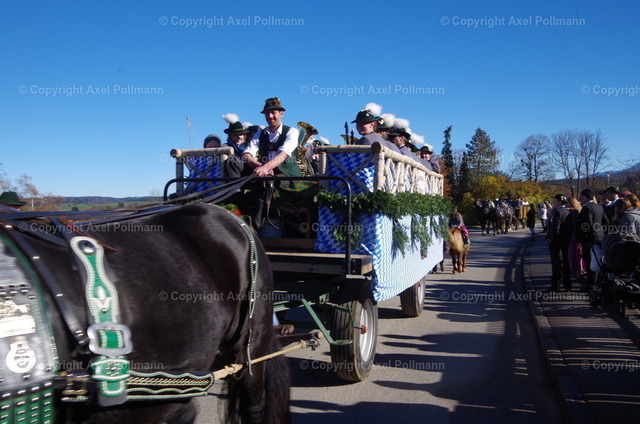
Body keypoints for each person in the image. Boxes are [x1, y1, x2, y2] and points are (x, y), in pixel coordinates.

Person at [241, 97, 300, 230]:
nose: (270, 116)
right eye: (267, 113)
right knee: (239, 172)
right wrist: (261, 167)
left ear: (281, 113)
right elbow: (246, 155)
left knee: (267, 183)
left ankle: (254, 228)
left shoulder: (292, 132)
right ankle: (236, 215)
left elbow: (283, 155)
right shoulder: (260, 133)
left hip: (287, 174)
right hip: (265, 173)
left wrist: (266, 167)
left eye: (273, 112)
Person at [575, 188, 609, 291]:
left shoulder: (587, 208)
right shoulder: (599, 207)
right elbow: (606, 221)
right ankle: (596, 283)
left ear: (586, 197)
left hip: (589, 240)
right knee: (597, 261)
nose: (580, 198)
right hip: (599, 237)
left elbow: (587, 225)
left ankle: (590, 285)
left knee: (590, 262)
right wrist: (601, 232)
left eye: (582, 196)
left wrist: (585, 237)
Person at [547, 194, 573, 291]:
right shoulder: (567, 211)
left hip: (557, 243)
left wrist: (552, 239)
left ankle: (555, 286)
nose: (553, 202)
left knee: (556, 264)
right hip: (566, 241)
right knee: (566, 263)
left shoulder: (558, 212)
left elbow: (555, 229)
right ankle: (567, 285)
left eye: (555, 200)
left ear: (559, 202)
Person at [566, 196, 585, 281]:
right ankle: (581, 271)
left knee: (574, 255)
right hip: (580, 236)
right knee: (579, 255)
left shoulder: (572, 212)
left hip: (574, 236)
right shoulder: (580, 210)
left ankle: (578, 274)